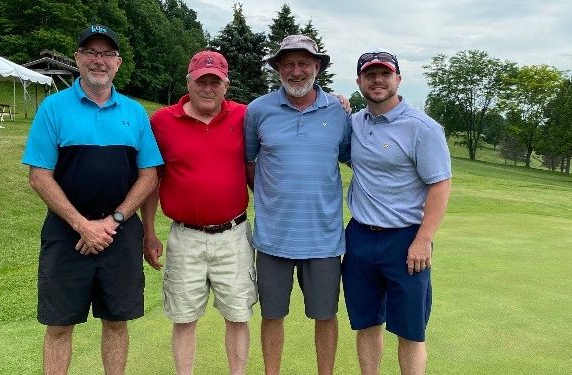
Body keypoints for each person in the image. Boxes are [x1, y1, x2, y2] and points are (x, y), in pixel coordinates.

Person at [21, 25, 162, 375]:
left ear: (118, 63)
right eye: (91, 52)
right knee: (58, 326)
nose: (98, 61)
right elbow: (39, 176)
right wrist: (82, 225)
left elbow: (149, 175)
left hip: (120, 232)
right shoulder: (53, 108)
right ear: (78, 58)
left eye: (107, 54)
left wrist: (112, 222)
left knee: (116, 321)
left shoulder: (135, 112)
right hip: (66, 232)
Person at [140, 49, 257, 375]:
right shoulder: (162, 121)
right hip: (185, 236)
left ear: (225, 85)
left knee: (238, 315)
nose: (208, 88)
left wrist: (334, 100)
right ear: (188, 82)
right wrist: (148, 232)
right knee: (184, 317)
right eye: (201, 81)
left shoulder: (244, 116)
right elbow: (151, 180)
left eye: (215, 81)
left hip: (233, 235)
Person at [244, 35, 351, 375]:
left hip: (324, 239)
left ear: (317, 67)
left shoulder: (339, 111)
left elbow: (352, 158)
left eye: (304, 63)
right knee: (272, 315)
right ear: (278, 69)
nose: (296, 71)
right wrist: (270, 195)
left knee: (326, 315)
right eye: (288, 64)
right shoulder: (258, 110)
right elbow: (249, 162)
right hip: (274, 236)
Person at [342, 48, 452, 375]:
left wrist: (424, 240)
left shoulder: (422, 128)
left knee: (410, 331)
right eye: (370, 75)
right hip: (360, 238)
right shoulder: (354, 123)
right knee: (367, 324)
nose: (378, 81)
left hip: (406, 241)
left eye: (385, 74)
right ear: (360, 81)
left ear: (398, 79)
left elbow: (440, 186)